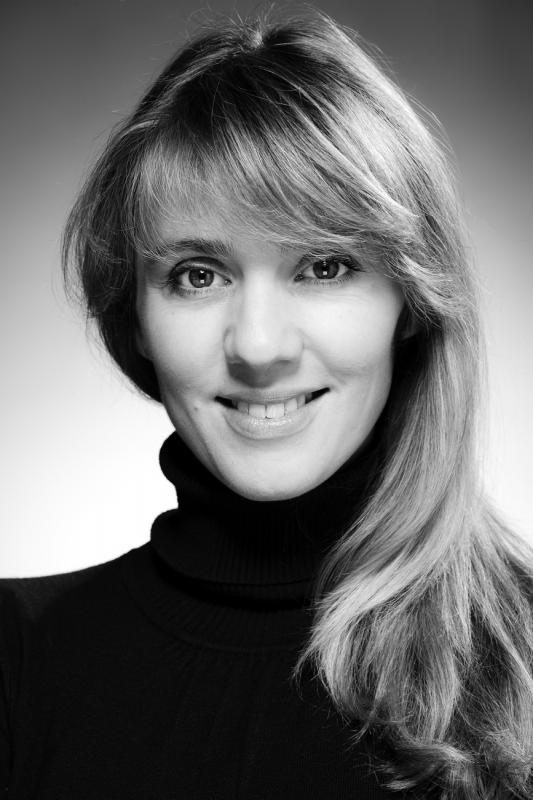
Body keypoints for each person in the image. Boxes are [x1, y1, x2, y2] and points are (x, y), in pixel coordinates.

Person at [1, 8, 532, 799]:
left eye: (323, 266)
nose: (257, 346)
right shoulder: (18, 658)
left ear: (411, 303)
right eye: (197, 274)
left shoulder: (523, 653)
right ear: (135, 315)